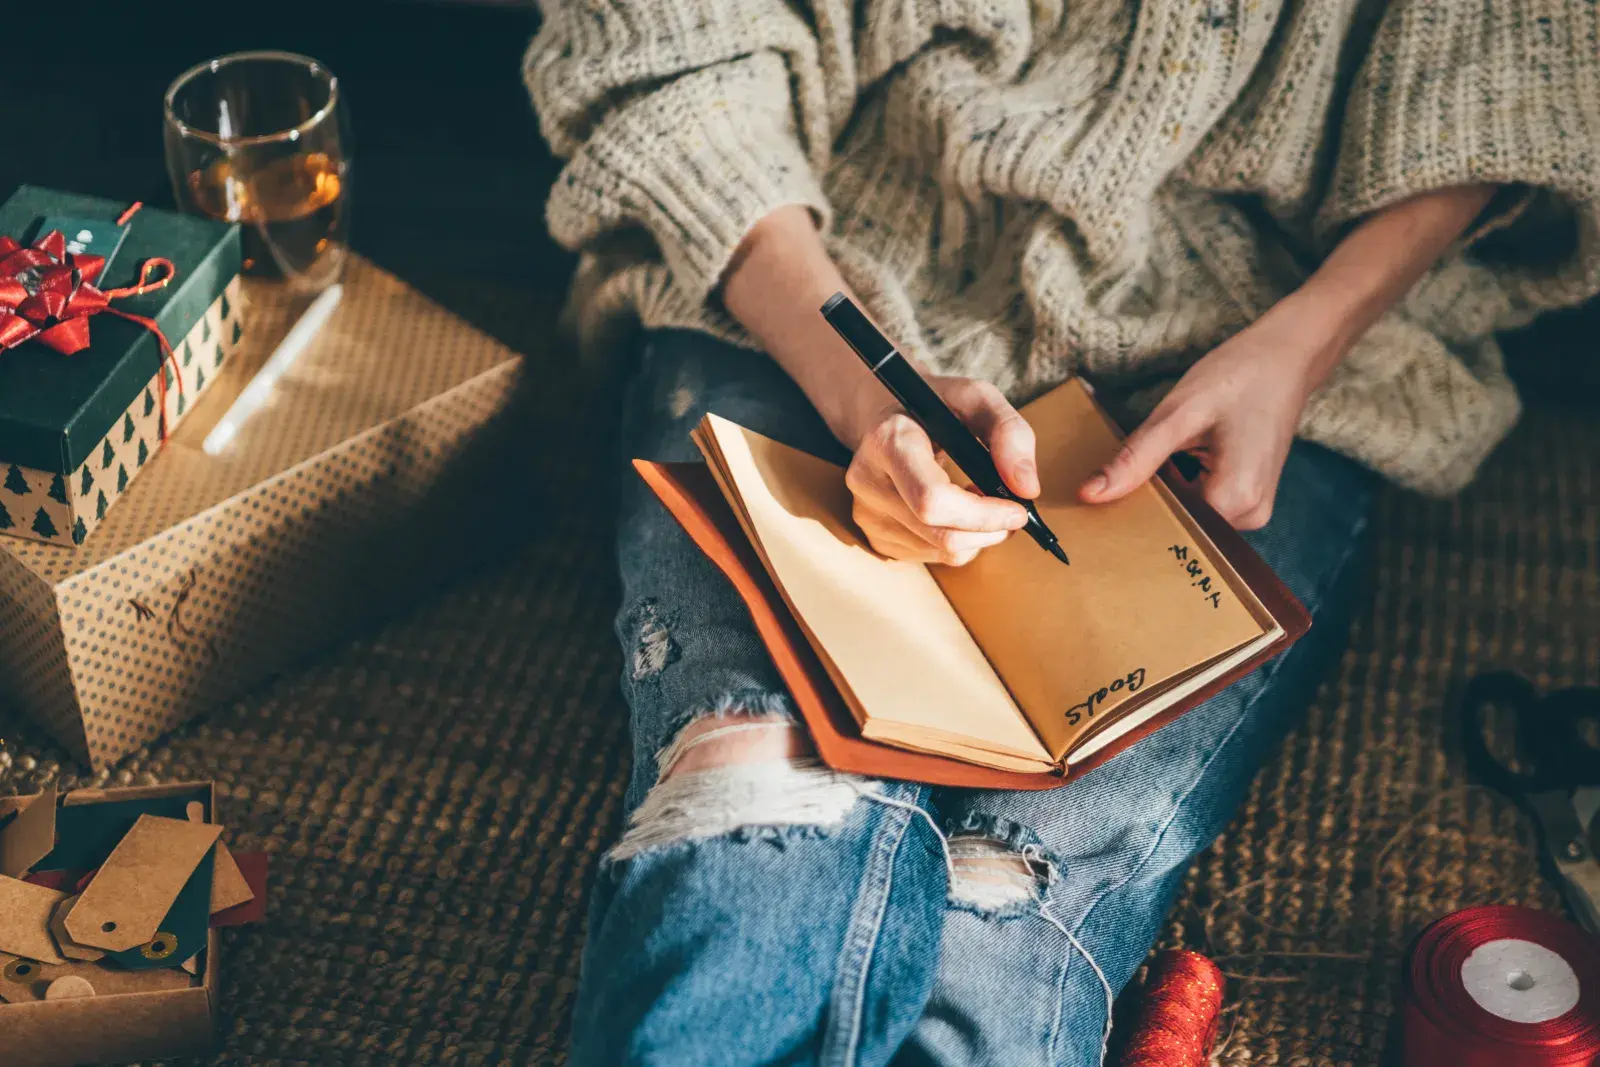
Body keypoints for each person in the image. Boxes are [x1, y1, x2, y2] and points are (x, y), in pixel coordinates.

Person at [524, 2, 1598, 1063]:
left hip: (1246, 343)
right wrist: (860, 393)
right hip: (799, 284)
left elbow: (1514, 80)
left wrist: (1303, 345)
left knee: (1015, 883)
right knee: (754, 781)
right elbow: (666, 44)